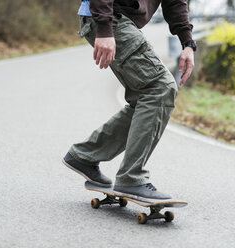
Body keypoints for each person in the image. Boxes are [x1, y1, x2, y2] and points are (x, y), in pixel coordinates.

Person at [63, 0, 196, 202]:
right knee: (159, 87)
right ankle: (131, 179)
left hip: (117, 19)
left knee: (145, 99)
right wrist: (105, 28)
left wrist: (188, 43)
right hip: (110, 16)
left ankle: (85, 155)